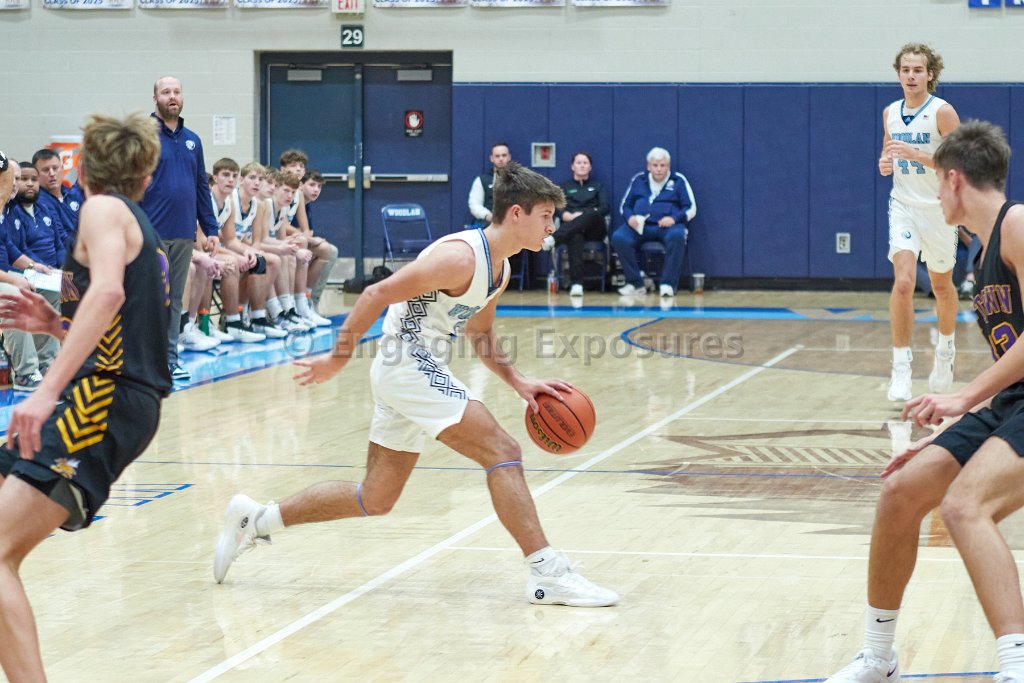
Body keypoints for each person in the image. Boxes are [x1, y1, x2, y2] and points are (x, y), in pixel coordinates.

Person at [213, 162, 619, 608]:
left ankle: (256, 520)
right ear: (517, 213)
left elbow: (480, 332)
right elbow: (375, 294)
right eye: (546, 216)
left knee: (375, 497)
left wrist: (518, 381)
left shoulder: (499, 267)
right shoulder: (459, 258)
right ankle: (547, 572)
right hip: (405, 362)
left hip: (415, 369)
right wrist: (337, 358)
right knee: (503, 451)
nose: (552, 226)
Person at [822, 120, 1024, 683]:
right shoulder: (981, 252)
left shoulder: (1017, 225)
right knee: (901, 491)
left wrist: (963, 396)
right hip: (1013, 402)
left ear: (954, 179)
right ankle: (878, 658)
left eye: (937, 182)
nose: (936, 195)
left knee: (963, 507)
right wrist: (949, 434)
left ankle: (1016, 665)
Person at [0, 111, 172, 683]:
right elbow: (123, 325)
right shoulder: (135, 223)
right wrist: (54, 326)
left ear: (83, 170)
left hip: (101, 400)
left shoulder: (102, 210)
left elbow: (108, 293)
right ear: (146, 175)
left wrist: (45, 390)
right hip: (117, 397)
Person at [880, 43, 961, 402]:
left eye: (917, 70)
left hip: (939, 210)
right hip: (904, 206)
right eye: (905, 70)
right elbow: (888, 151)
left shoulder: (942, 112)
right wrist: (884, 162)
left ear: (930, 74)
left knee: (942, 287)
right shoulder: (890, 113)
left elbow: (960, 163)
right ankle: (901, 367)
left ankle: (945, 351)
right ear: (898, 73)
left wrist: (916, 154)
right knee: (903, 282)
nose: (911, 76)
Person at [140, 76, 220, 383]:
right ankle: (147, 362)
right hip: (151, 233)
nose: (172, 96)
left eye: (176, 92)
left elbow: (201, 186)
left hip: (184, 233)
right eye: (165, 92)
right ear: (155, 98)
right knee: (150, 300)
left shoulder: (193, 140)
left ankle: (169, 360)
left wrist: (210, 228)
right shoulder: (143, 136)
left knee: (174, 301)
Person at [611, 147, 696, 298]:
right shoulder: (639, 180)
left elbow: (691, 208)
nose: (659, 169)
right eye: (655, 165)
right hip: (640, 226)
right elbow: (625, 205)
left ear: (668, 166)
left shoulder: (678, 180)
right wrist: (630, 217)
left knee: (677, 236)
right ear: (648, 166)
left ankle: (667, 284)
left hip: (668, 226)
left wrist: (674, 219)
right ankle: (636, 282)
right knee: (619, 237)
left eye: (663, 165)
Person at [551, 151, 609, 298]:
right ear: (572, 166)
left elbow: (605, 207)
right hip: (571, 226)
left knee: (591, 213)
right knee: (575, 235)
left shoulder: (598, 185)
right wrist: (565, 215)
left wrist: (583, 215)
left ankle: (555, 238)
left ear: (590, 167)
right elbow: (558, 207)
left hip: (594, 229)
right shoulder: (564, 186)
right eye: (579, 163)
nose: (582, 166)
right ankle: (577, 284)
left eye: (585, 163)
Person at [468, 141, 512, 226]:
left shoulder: (519, 180)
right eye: (497, 156)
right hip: (488, 225)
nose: (501, 159)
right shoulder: (481, 180)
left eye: (504, 155)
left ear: (509, 157)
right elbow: (474, 204)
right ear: (491, 158)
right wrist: (488, 216)